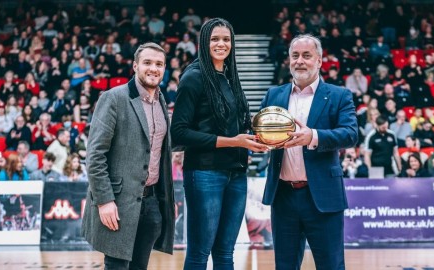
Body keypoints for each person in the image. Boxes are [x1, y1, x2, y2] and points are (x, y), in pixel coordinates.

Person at [171, 18, 268, 269]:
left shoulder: (229, 76)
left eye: (226, 39)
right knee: (199, 253)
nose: (221, 44)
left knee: (225, 253)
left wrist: (258, 137)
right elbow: (179, 133)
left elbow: (236, 126)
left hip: (235, 173)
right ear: (204, 42)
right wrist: (233, 141)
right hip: (205, 172)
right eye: (215, 39)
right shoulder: (193, 77)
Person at [259, 34, 358, 270]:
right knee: (284, 266)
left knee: (331, 265)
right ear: (289, 60)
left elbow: (351, 134)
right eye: (295, 56)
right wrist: (261, 142)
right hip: (283, 197)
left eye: (306, 55)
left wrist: (313, 136)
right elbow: (263, 134)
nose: (300, 61)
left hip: (322, 197)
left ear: (320, 60)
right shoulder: (274, 95)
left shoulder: (339, 95)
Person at [81, 42, 175, 270]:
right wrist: (104, 200)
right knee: (116, 266)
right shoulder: (113, 98)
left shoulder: (162, 102)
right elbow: (95, 155)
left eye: (159, 64)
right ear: (135, 66)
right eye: (148, 63)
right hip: (118, 202)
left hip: (151, 202)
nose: (154, 68)